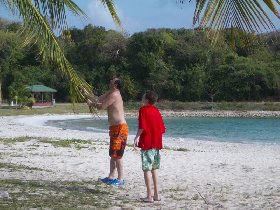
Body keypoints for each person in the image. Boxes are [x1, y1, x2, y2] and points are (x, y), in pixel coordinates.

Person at [81, 77, 128, 186]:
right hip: (114, 128)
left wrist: (91, 104)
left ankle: (121, 179)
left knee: (117, 155)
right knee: (113, 154)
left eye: (112, 80)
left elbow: (101, 106)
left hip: (120, 128)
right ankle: (111, 177)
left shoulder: (115, 95)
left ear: (116, 85)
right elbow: (97, 99)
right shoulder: (110, 93)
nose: (110, 81)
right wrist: (86, 92)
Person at [134, 90, 166, 202]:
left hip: (147, 144)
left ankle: (149, 196)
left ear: (147, 99)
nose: (142, 97)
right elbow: (162, 129)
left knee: (147, 169)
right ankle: (157, 194)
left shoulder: (143, 110)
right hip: (156, 144)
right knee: (154, 169)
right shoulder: (156, 110)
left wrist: (137, 137)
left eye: (143, 96)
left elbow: (142, 126)